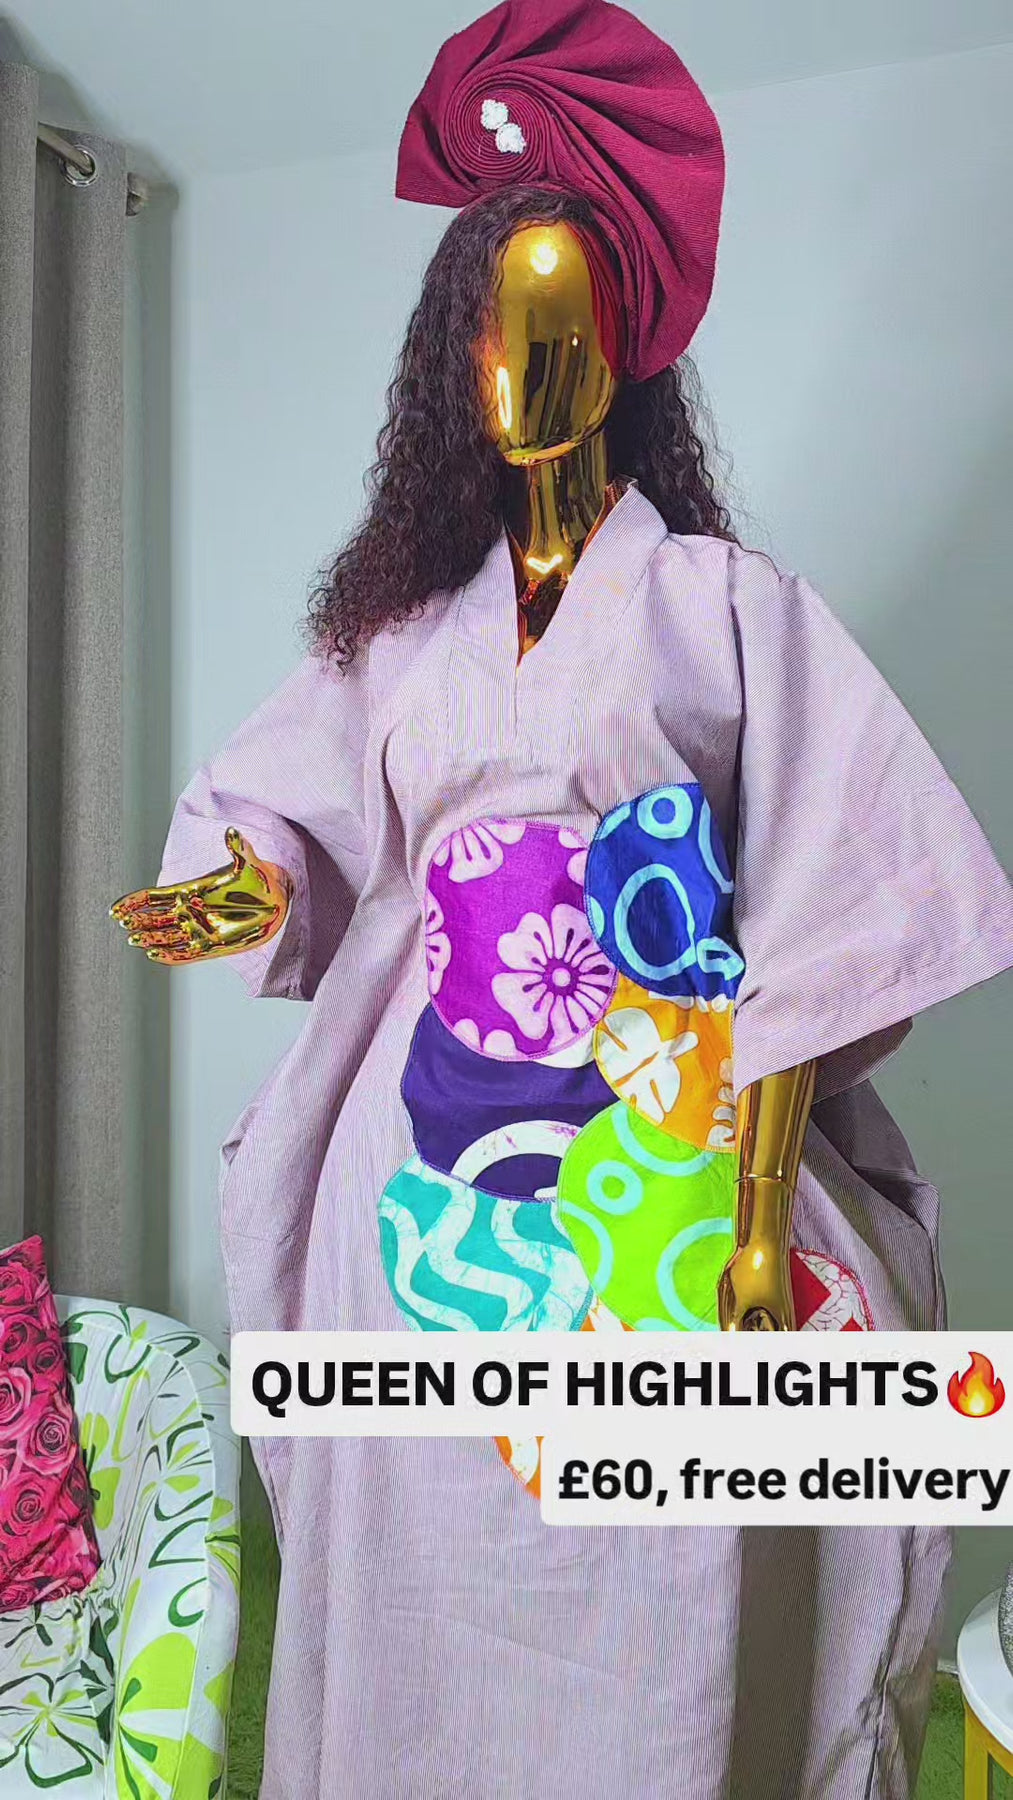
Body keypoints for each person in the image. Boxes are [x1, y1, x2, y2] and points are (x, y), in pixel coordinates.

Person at [112, 3, 1013, 1795]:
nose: (529, 366)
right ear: (450, 361)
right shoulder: (396, 641)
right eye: (496, 330)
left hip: (663, 1145)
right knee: (419, 1546)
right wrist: (234, 884)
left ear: (624, 354)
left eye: (565, 327)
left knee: (663, 1563)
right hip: (424, 1167)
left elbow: (831, 902)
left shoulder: (718, 606)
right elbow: (282, 818)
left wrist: (754, 1211)